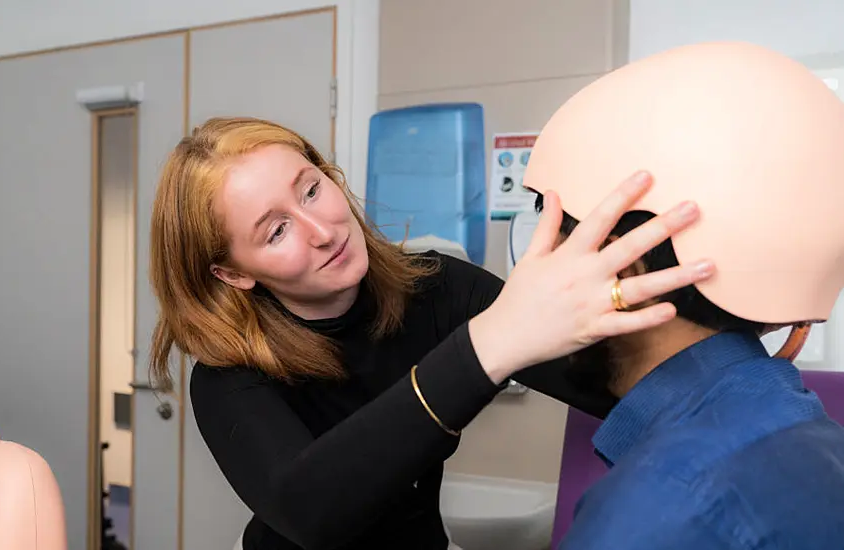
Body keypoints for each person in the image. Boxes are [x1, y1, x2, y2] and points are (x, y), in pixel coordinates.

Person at [146, 116, 713, 549]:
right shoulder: (228, 381)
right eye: (276, 231)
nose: (323, 230)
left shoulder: (437, 290)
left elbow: (608, 383)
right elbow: (310, 510)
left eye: (312, 189)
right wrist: (489, 346)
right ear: (233, 273)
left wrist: (728, 319)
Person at [521, 41, 844, 549]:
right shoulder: (812, 434)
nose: (533, 271)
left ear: (624, 262)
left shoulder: (653, 509)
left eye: (554, 233)